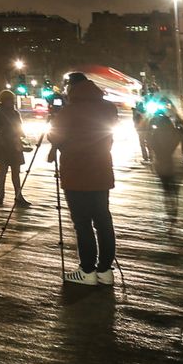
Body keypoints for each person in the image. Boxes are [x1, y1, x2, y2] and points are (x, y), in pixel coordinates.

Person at [47, 72, 118, 285]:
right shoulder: (108, 107)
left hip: (76, 173)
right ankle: (105, 271)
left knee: (83, 223)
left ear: (72, 88)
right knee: (103, 221)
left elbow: (55, 136)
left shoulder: (70, 110)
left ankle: (87, 271)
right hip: (101, 170)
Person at [146, 105, 183, 222]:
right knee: (173, 185)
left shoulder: (155, 130)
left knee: (165, 186)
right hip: (171, 162)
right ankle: (174, 204)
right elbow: (178, 140)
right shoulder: (171, 129)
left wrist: (157, 154)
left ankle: (169, 206)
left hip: (162, 162)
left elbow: (150, 143)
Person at [0, 86, 28, 207]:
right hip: (4, 144)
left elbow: (19, 127)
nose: (11, 102)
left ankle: (17, 195)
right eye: (10, 100)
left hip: (12, 144)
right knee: (4, 171)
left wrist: (20, 136)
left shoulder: (13, 113)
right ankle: (2, 195)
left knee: (14, 172)